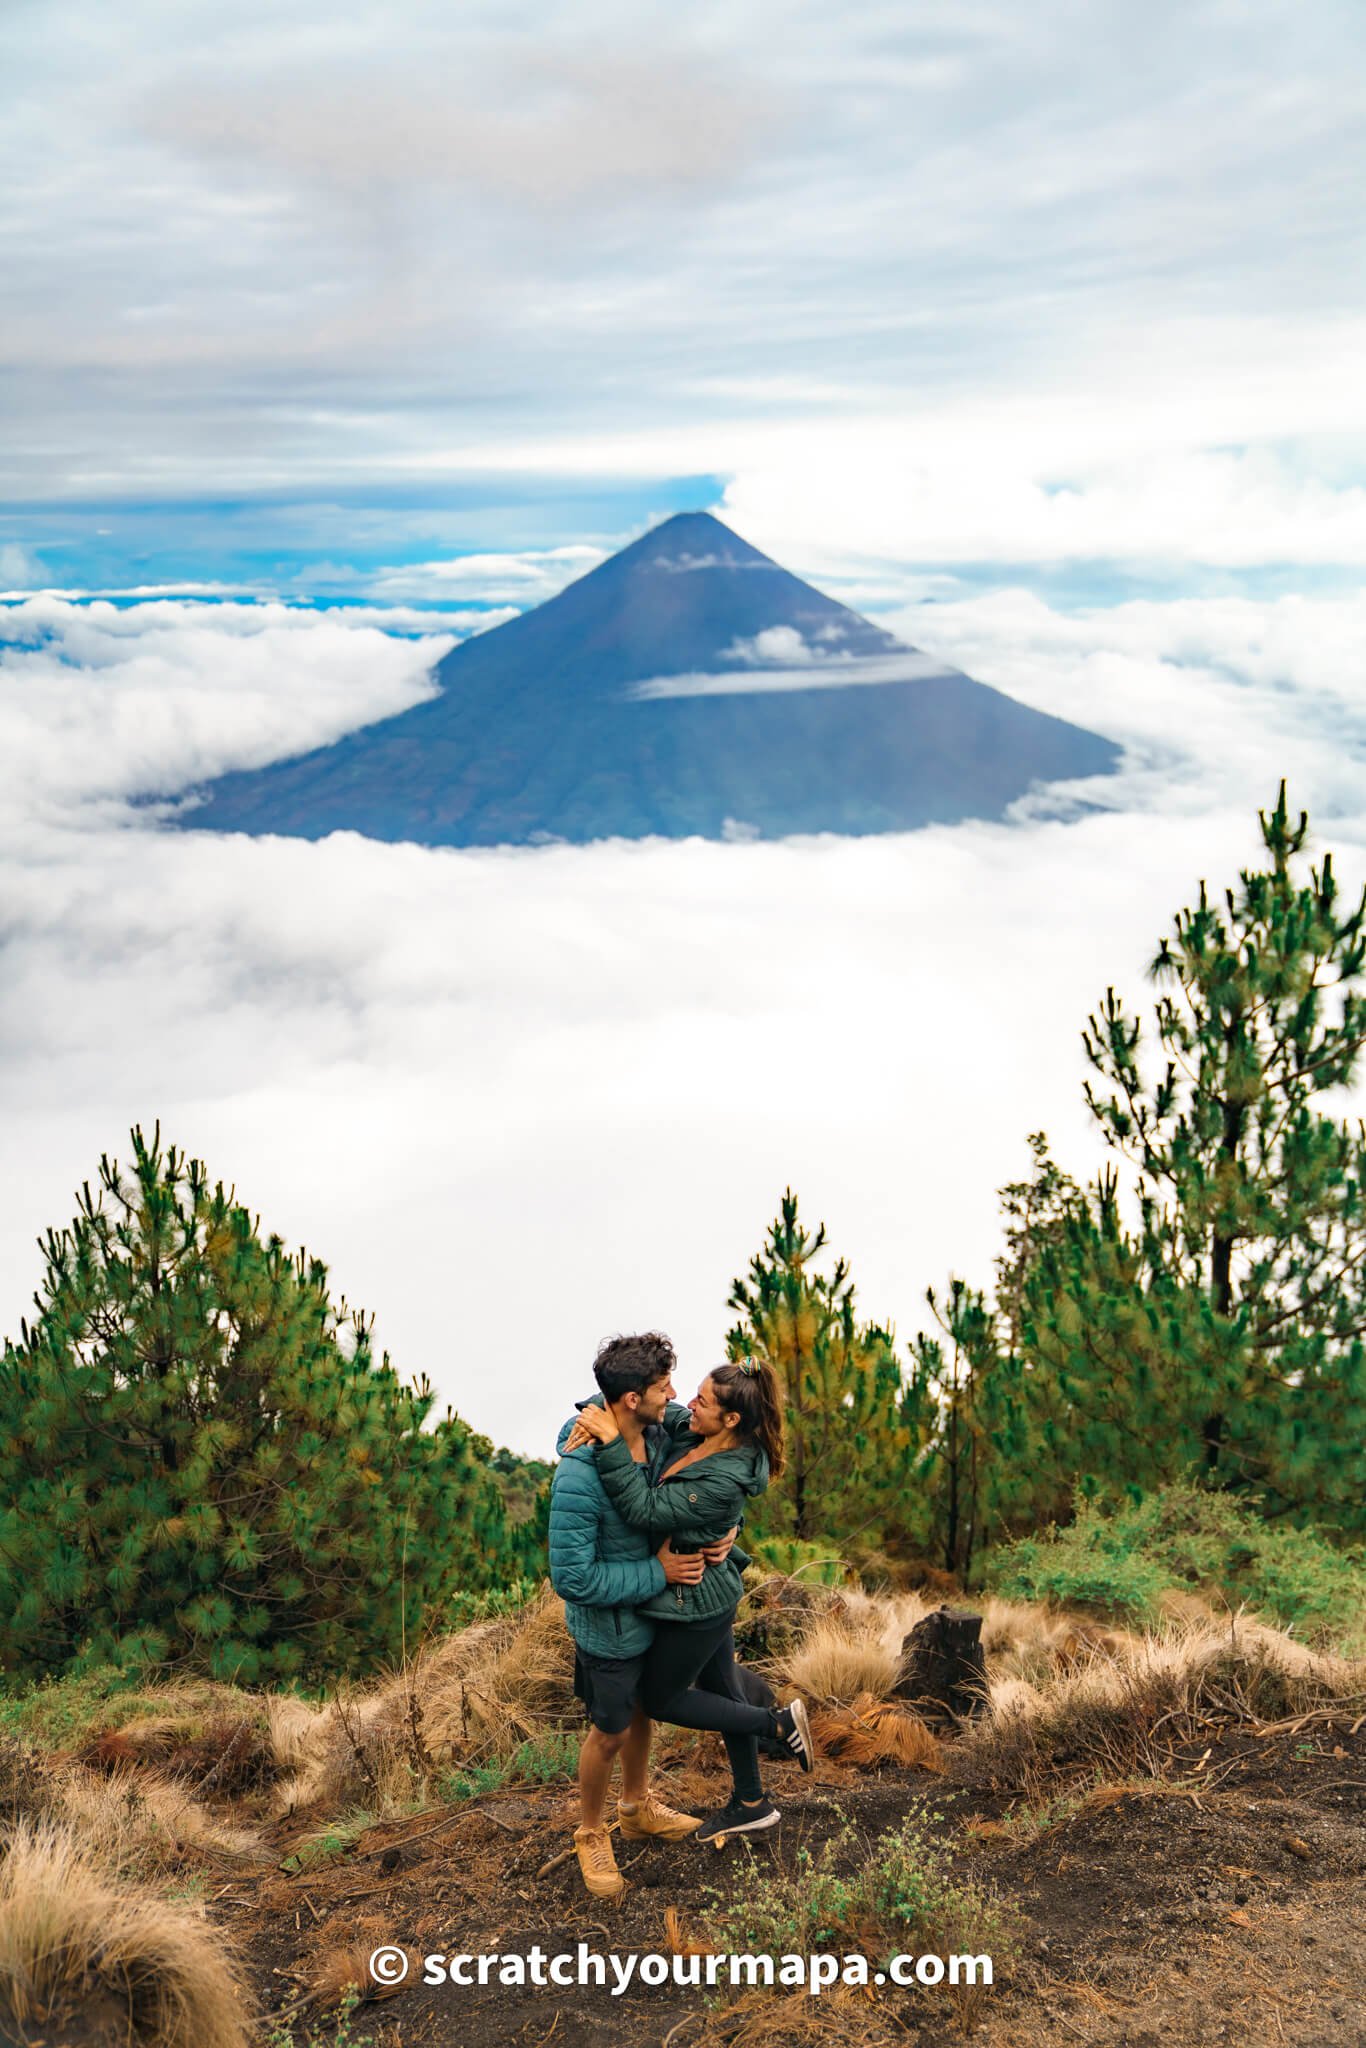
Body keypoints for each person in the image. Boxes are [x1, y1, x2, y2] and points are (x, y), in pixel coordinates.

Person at [565, 1357, 814, 1844]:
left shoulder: (724, 1473)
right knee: (725, 1693)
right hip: (704, 1588)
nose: (686, 1401)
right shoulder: (694, 1430)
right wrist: (598, 1412)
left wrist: (613, 1443)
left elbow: (647, 1508)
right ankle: (750, 1803)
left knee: (660, 1699)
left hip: (699, 1601)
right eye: (690, 1391)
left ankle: (778, 1723)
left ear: (731, 1421)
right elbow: (631, 1402)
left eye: (701, 1399)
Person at [547, 1332, 733, 1899]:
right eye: (662, 1386)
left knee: (643, 1714)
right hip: (608, 1629)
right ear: (631, 1398)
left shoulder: (660, 1432)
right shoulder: (579, 1475)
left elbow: (716, 1469)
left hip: (652, 1617)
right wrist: (661, 1574)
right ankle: (589, 1831)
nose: (674, 1394)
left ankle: (635, 1808)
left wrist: (728, 1529)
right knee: (609, 1730)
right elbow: (572, 1579)